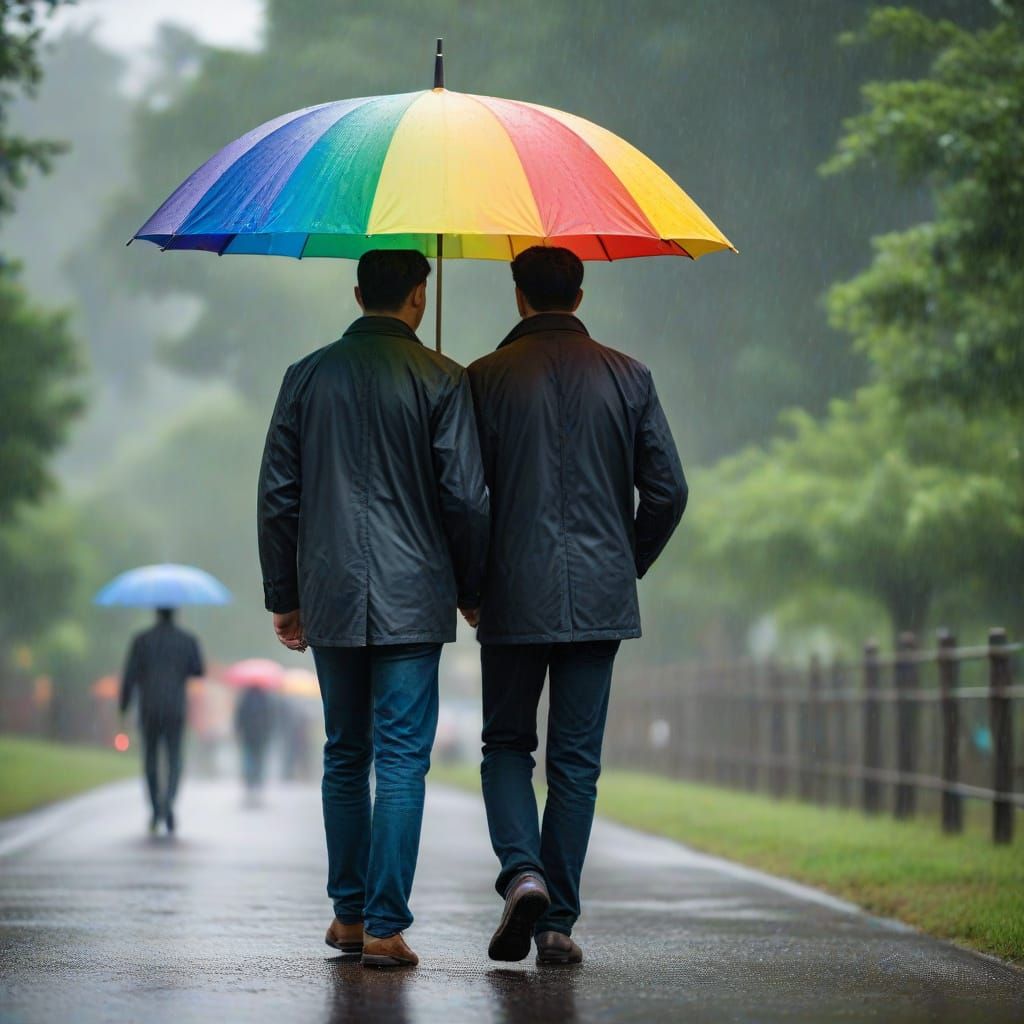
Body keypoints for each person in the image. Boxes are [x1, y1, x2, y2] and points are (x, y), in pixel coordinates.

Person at [257, 249, 489, 969]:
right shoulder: (443, 380)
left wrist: (284, 597)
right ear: (420, 297)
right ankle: (387, 925)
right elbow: (468, 499)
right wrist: (472, 589)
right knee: (400, 759)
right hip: (415, 600)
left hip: (328, 591)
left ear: (358, 293)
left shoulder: (305, 377)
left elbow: (277, 496)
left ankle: (349, 915)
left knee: (343, 752)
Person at [465, 246, 688, 965]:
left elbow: (464, 498)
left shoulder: (483, 379)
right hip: (600, 592)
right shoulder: (629, 376)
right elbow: (669, 491)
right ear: (581, 293)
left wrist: (470, 582)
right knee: (576, 760)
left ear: (518, 295)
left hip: (510, 592)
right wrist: (626, 559)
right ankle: (557, 920)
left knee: (505, 745)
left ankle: (521, 872)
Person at [119, 606, 205, 835]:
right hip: (175, 708)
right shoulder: (187, 640)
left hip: (149, 708)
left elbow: (129, 675)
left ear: (156, 613)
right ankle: (169, 802)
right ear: (175, 613)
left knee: (150, 758)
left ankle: (156, 808)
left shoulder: (141, 640)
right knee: (175, 757)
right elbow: (198, 670)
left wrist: (124, 705)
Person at [234, 685, 274, 800]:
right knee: (259, 760)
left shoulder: (244, 699)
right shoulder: (265, 699)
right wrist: (268, 733)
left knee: (249, 759)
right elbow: (270, 718)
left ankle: (249, 781)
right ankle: (258, 781)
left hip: (248, 735)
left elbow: (239, 718)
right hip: (261, 736)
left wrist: (238, 732)